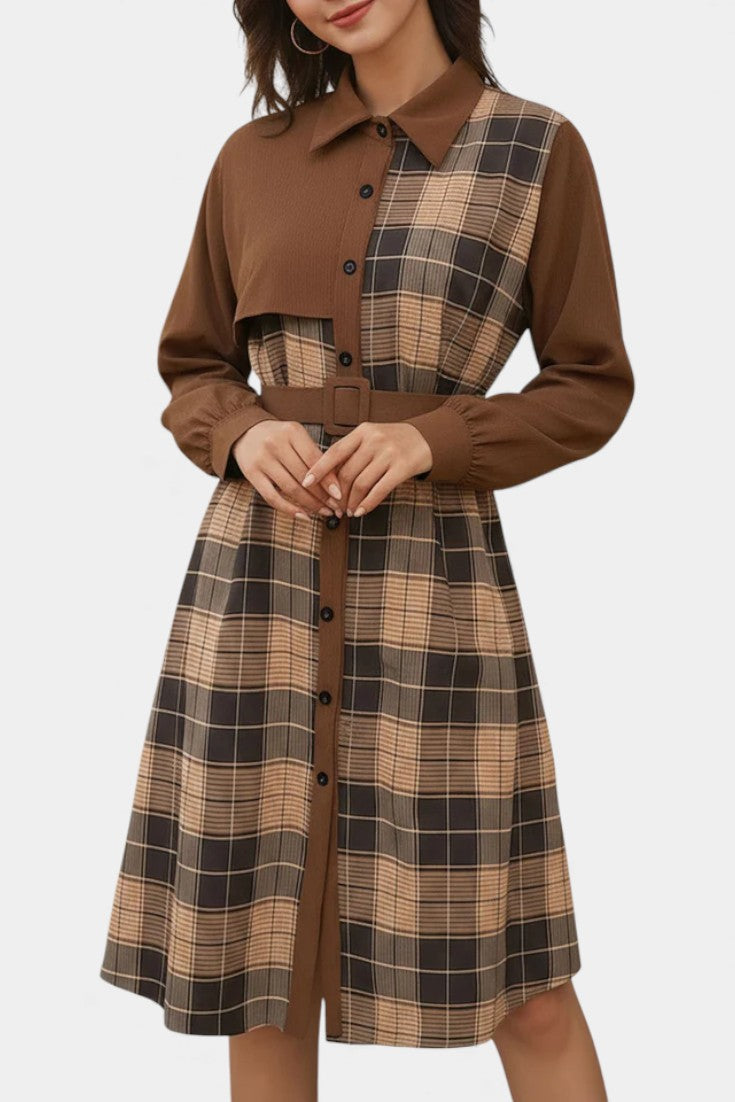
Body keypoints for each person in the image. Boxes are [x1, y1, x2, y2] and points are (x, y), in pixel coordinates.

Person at [99, 2, 634, 1100]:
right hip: (258, 593)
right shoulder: (251, 159)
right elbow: (193, 366)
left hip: (434, 602)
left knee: (522, 983)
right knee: (261, 972)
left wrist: (437, 439)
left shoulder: (534, 149)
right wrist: (241, 432)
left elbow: (591, 386)